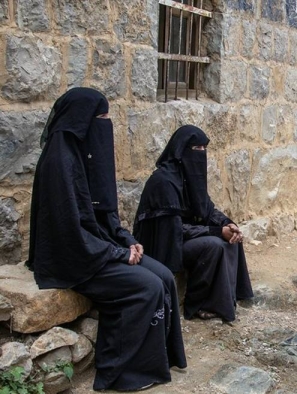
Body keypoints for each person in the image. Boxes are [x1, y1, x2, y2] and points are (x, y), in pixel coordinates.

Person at [27, 87, 187, 391]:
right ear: (81, 120)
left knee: (164, 276)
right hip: (72, 258)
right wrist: (116, 254)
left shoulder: (84, 155)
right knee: (146, 286)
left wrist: (125, 240)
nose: (105, 125)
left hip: (96, 247)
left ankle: (159, 360)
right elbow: (69, 233)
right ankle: (119, 373)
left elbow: (103, 213)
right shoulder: (59, 162)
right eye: (100, 118)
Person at [133, 125, 253, 323]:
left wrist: (227, 224)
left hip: (183, 237)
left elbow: (207, 209)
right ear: (181, 150)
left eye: (204, 149)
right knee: (213, 245)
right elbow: (174, 229)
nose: (201, 154)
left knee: (231, 239)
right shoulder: (164, 182)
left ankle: (229, 297)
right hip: (164, 243)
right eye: (196, 149)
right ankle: (197, 305)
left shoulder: (190, 177)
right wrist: (215, 232)